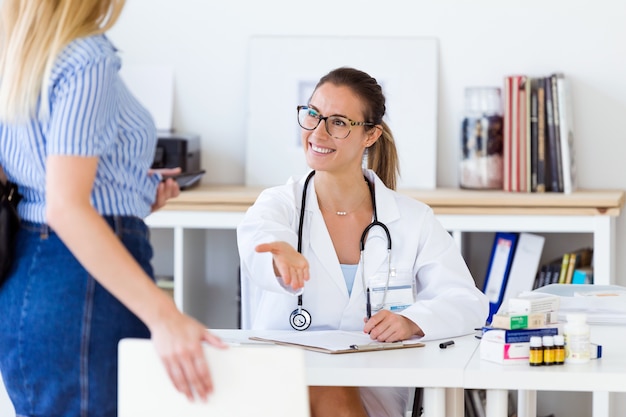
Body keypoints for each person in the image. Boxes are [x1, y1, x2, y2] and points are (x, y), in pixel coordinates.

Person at [0, 1, 225, 416]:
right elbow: (66, 208)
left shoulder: (18, 57)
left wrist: (131, 196)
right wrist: (166, 317)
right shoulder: (87, 58)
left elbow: (39, 184)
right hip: (81, 287)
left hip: (32, 281)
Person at [237, 67, 489, 417]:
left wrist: (414, 321)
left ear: (370, 135)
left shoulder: (412, 219)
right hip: (287, 383)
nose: (318, 132)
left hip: (375, 385)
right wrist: (280, 262)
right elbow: (262, 242)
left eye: (338, 122)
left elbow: (467, 302)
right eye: (313, 114)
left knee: (331, 388)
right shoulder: (279, 204)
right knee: (321, 387)